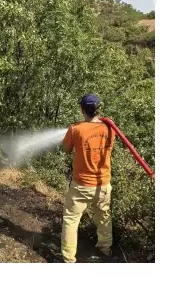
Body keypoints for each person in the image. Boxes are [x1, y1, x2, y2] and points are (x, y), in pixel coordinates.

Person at [60, 94, 116, 263]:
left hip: (81, 186)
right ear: (98, 109)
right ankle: (105, 249)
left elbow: (66, 149)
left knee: (71, 219)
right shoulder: (110, 128)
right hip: (103, 184)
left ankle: (69, 259)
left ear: (82, 110)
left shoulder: (76, 129)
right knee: (103, 217)